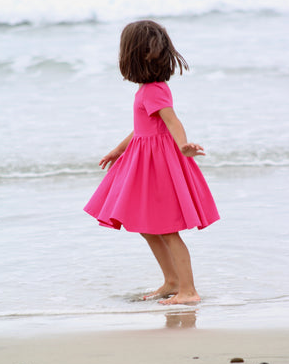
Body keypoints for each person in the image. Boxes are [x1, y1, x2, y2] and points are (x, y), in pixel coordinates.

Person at [84, 20, 220, 305]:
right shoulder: (147, 90)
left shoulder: (155, 90)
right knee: (146, 226)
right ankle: (172, 281)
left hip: (158, 166)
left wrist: (184, 146)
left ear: (134, 57)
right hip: (141, 160)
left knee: (168, 228)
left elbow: (172, 120)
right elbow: (143, 126)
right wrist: (118, 149)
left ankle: (189, 291)